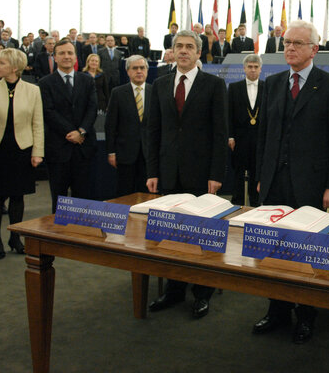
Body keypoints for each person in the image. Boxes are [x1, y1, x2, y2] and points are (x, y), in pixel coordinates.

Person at [253, 20, 329, 344]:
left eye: (296, 43)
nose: (289, 48)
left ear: (314, 50)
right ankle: (277, 310)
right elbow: (263, 136)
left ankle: (306, 315)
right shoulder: (273, 82)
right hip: (274, 183)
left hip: (311, 185)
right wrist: (260, 178)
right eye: (286, 42)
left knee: (307, 251)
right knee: (274, 248)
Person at [145, 30, 227, 319]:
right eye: (178, 46)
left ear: (198, 52)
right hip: (168, 172)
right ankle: (174, 290)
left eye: (189, 47)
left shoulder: (214, 85)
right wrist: (152, 170)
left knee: (202, 234)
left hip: (202, 174)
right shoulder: (160, 84)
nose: (183, 50)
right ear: (171, 50)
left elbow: (220, 133)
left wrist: (216, 174)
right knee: (172, 234)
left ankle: (202, 292)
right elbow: (153, 131)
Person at [0, 49, 43, 259]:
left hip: (21, 150)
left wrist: (38, 152)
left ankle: (15, 238)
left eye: (1, 63)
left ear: (14, 67)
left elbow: (37, 124)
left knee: (17, 196)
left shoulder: (33, 90)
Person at [38, 39, 97, 213]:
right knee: (59, 198)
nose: (66, 56)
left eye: (70, 53)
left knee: (84, 197)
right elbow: (48, 112)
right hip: (58, 148)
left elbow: (92, 108)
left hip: (83, 147)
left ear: (75, 56)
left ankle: (82, 235)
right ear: (54, 57)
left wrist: (81, 131)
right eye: (62, 53)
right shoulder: (45, 83)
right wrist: (70, 132)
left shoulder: (87, 81)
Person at [105, 55, 150, 197]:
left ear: (147, 71)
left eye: (142, 68)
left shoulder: (155, 91)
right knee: (124, 193)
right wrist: (111, 152)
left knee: (147, 195)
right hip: (125, 154)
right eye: (135, 68)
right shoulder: (117, 93)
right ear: (128, 71)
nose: (139, 71)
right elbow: (111, 125)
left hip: (149, 155)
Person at [227, 54, 264, 207]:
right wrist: (230, 136)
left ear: (260, 69)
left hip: (259, 138)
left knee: (257, 172)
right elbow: (229, 114)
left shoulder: (267, 87)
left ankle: (256, 204)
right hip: (239, 138)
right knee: (238, 172)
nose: (253, 70)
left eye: (256, 67)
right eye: (250, 67)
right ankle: (236, 204)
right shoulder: (234, 87)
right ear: (244, 68)